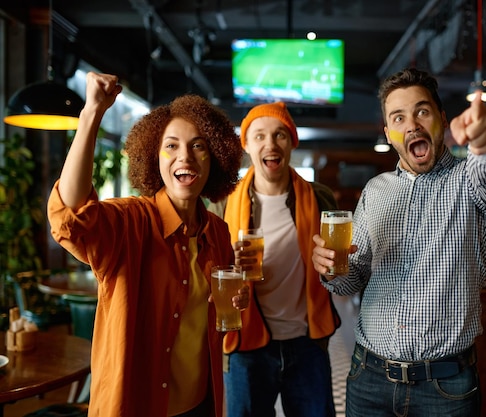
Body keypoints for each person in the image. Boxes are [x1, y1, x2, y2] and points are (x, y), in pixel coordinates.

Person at [312, 68, 486, 417]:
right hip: (368, 376)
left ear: (441, 118)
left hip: (445, 388)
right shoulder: (376, 191)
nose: (412, 125)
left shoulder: (469, 182)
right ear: (389, 133)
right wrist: (331, 270)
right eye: (399, 117)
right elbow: (353, 278)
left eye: (422, 111)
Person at [47, 71, 249, 417]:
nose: (184, 156)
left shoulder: (217, 232)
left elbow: (212, 316)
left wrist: (236, 300)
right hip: (135, 403)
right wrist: (92, 113)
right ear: (153, 158)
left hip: (200, 403)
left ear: (213, 158)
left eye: (198, 145)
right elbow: (70, 214)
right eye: (171, 146)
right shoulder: (128, 222)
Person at [210, 101, 341, 417]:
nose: (270, 144)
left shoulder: (319, 197)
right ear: (247, 146)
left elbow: (335, 270)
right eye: (259, 136)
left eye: (280, 135)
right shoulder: (224, 204)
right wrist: (230, 268)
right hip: (246, 345)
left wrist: (334, 266)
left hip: (307, 342)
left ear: (292, 142)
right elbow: (207, 271)